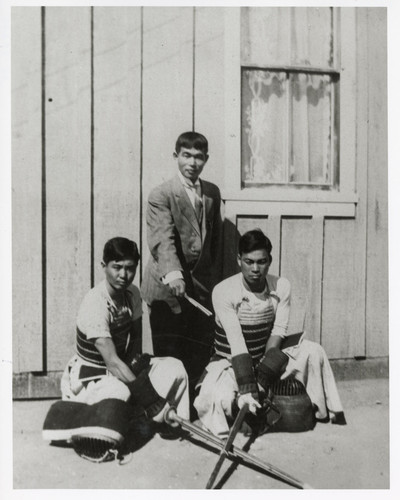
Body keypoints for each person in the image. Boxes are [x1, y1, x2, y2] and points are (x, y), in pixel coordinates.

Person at [194, 229, 346, 438]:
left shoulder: (281, 286)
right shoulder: (223, 291)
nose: (255, 269)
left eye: (261, 261)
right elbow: (237, 343)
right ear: (239, 260)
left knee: (313, 351)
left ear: (269, 260)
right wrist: (248, 387)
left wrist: (263, 377)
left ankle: (317, 408)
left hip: (265, 356)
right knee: (214, 396)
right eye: (249, 261)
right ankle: (244, 404)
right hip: (231, 361)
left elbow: (278, 332)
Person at [60, 237, 190, 424]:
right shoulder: (95, 303)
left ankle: (174, 424)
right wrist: (149, 397)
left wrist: (136, 370)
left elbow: (135, 340)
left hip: (121, 367)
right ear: (104, 266)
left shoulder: (133, 294)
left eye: (130, 268)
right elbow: (112, 362)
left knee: (175, 368)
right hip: (91, 377)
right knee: (121, 392)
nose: (124, 274)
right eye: (117, 267)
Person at [141, 131, 223, 393]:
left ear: (206, 159)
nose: (192, 163)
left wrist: (215, 283)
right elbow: (162, 239)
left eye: (199, 157)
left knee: (197, 351)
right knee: (169, 356)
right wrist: (174, 273)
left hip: (199, 290)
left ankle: (191, 407)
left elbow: (215, 241)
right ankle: (168, 412)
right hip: (168, 289)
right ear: (176, 156)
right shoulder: (161, 194)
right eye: (186, 156)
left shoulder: (211, 193)